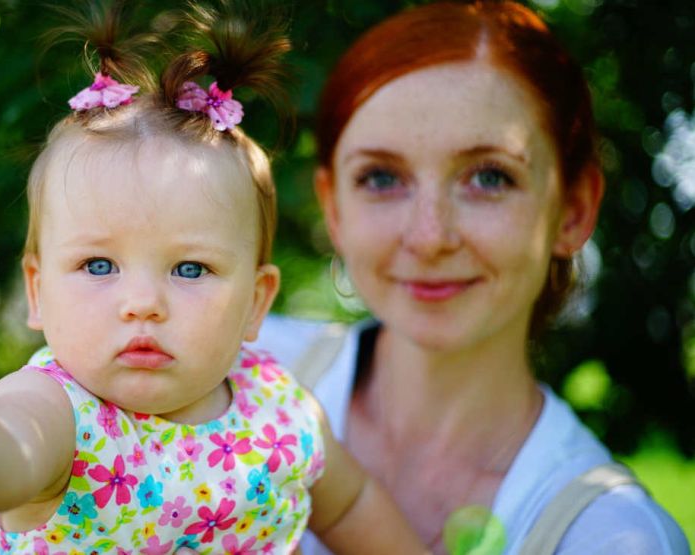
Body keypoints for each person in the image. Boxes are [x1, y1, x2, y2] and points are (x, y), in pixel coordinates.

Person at [0, 3, 426, 554]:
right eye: (98, 266)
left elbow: (351, 505)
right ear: (38, 291)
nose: (143, 304)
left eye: (190, 268)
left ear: (256, 301)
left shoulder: (283, 407)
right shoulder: (61, 413)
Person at [243, 1, 690, 554]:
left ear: (573, 211)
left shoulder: (613, 538)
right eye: (381, 177)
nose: (430, 237)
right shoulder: (222, 379)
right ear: (334, 209)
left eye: (489, 177)